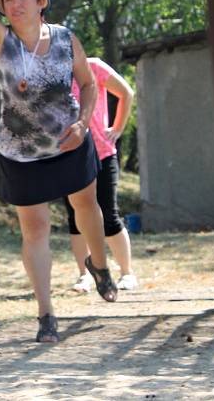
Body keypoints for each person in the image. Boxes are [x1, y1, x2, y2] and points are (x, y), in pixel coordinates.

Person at [0, 0, 117, 343]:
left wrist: (85, 121)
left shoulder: (67, 40)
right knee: (35, 231)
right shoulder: (0, 43)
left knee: (86, 209)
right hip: (21, 152)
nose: (14, 4)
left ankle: (99, 266)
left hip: (70, 143)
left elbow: (87, 84)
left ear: (41, 2)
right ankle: (46, 314)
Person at [64, 58, 138, 292]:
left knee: (108, 213)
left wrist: (117, 128)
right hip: (68, 154)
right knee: (75, 216)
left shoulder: (93, 66)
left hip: (103, 153)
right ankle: (84, 275)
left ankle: (126, 273)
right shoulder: (52, 74)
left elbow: (126, 93)